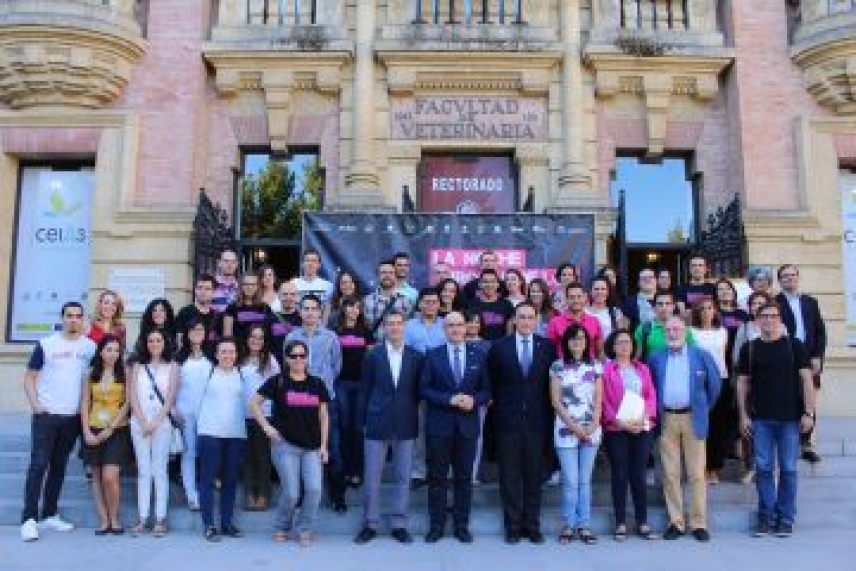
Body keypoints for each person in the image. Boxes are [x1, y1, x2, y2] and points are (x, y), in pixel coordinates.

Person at [736, 302, 816, 538]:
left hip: (790, 419)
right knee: (763, 469)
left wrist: (809, 413)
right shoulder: (750, 348)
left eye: (773, 316)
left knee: (789, 469)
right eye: (764, 316)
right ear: (757, 320)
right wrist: (743, 415)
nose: (769, 320)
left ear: (780, 319)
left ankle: (786, 518)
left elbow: (806, 380)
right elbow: (742, 383)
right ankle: (766, 517)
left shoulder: (794, 346)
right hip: (760, 420)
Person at [20, 302, 97, 542]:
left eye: (77, 316)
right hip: (47, 415)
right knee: (38, 466)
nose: (73, 320)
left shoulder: (90, 347)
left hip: (72, 417)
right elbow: (29, 378)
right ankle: (29, 519)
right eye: (69, 316)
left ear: (83, 319)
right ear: (62, 318)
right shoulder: (46, 345)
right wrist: (36, 406)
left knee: (59, 467)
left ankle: (50, 514)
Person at [487, 302, 556, 544]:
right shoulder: (499, 348)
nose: (526, 321)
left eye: (530, 317)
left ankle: (532, 525)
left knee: (534, 476)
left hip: (538, 422)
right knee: (509, 476)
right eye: (522, 317)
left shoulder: (548, 347)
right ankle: (513, 526)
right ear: (514, 320)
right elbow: (491, 383)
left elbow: (552, 385)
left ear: (537, 320)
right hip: (507, 421)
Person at [647, 317, 721, 542]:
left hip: (693, 418)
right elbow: (649, 387)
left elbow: (715, 386)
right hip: (666, 418)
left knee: (697, 473)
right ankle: (676, 523)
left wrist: (701, 408)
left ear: (685, 331)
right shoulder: (656, 357)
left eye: (676, 329)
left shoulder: (701, 355)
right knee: (670, 474)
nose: (672, 333)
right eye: (668, 329)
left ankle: (698, 523)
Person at [251, 339, 330, 546]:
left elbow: (324, 416)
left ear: (307, 358)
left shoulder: (317, 383)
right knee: (292, 493)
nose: (298, 359)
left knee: (314, 490)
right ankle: (282, 526)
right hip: (285, 445)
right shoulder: (278, 381)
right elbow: (254, 403)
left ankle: (305, 528)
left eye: (302, 355)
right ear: (286, 358)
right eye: (293, 356)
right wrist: (267, 427)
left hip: (312, 447)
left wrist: (323, 446)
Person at [354, 311, 424, 545]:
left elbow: (419, 392)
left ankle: (399, 523)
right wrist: (362, 420)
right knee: (372, 476)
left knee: (403, 476)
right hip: (376, 421)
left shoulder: (416, 356)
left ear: (405, 327)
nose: (394, 328)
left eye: (398, 324)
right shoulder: (373, 355)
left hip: (406, 421)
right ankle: (370, 524)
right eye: (390, 324)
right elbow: (364, 391)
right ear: (384, 327)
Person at [420, 311, 490, 544]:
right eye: (450, 325)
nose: (456, 329)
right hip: (439, 427)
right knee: (437, 478)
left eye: (460, 325)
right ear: (444, 329)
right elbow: (424, 389)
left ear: (467, 327)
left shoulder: (479, 356)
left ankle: (461, 525)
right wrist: (449, 399)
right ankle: (436, 525)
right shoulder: (432, 355)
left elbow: (487, 390)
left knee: (463, 479)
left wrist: (475, 400)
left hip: (467, 427)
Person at [286, 294, 344, 511]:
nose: (310, 313)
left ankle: (338, 496)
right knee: (300, 447)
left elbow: (336, 367)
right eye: (306, 308)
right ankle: (299, 497)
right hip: (298, 401)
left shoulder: (331, 337)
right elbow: (288, 366)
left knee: (332, 448)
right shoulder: (291, 336)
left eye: (314, 309)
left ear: (320, 312)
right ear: (300, 312)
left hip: (325, 401)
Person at [601, 329, 658, 541]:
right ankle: (621, 523)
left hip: (642, 427)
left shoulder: (642, 368)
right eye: (620, 343)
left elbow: (651, 394)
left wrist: (645, 416)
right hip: (616, 429)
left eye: (628, 342)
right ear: (612, 347)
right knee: (619, 475)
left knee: (639, 475)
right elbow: (604, 401)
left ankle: (642, 522)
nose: (625, 346)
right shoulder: (607, 370)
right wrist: (619, 421)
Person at [550, 325, 603, 545]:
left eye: (581, 338)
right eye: (572, 339)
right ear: (566, 342)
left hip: (591, 430)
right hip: (566, 430)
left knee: (585, 481)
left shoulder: (597, 366)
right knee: (571, 481)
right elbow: (555, 401)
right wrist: (574, 427)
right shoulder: (557, 366)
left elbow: (599, 400)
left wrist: (592, 425)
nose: (577, 342)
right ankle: (568, 524)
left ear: (587, 341)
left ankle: (584, 525)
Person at [128, 328, 179, 537]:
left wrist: (156, 421)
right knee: (143, 469)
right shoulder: (138, 366)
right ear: (145, 343)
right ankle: (142, 518)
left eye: (158, 340)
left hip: (162, 423)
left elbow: (170, 398)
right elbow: (132, 396)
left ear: (165, 342)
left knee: (159, 470)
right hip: (139, 423)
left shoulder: (173, 366)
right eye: (151, 340)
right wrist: (142, 421)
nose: (155, 343)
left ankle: (160, 518)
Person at [195, 337, 247, 541]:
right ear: (216, 354)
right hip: (210, 433)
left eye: (231, 352)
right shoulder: (206, 373)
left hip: (235, 434)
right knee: (207, 480)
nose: (228, 355)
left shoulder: (242, 374)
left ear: (236, 354)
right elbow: (195, 403)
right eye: (223, 352)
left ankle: (226, 523)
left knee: (231, 480)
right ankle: (208, 525)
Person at [775, 264, 826, 464]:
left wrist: (818, 355)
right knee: (787, 397)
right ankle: (786, 441)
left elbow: (820, 331)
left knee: (809, 398)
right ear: (779, 281)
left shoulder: (810, 302)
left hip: (808, 356)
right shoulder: (775, 303)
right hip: (786, 356)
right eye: (785, 276)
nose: (789, 279)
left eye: (793, 275)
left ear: (798, 278)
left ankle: (807, 445)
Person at [79, 335, 130, 535]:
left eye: (117, 350)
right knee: (97, 477)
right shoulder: (91, 373)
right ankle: (104, 520)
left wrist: (111, 427)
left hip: (116, 430)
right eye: (109, 349)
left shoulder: (124, 373)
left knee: (110, 476)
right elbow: (84, 402)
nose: (113, 354)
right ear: (100, 351)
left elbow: (127, 403)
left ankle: (115, 517)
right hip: (93, 428)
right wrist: (85, 431)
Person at [731, 291, 776, 484]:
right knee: (749, 428)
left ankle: (770, 468)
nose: (757, 306)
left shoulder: (780, 327)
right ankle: (751, 467)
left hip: (774, 386)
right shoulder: (745, 328)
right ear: (749, 307)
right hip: (750, 385)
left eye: (761, 302)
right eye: (754, 303)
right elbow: (735, 357)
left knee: (773, 427)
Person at [404, 287, 447, 488]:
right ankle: (419, 472)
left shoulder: (447, 325)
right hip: (415, 383)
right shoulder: (409, 326)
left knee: (441, 429)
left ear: (440, 304)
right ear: (419, 304)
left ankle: (442, 470)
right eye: (426, 301)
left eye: (434, 302)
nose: (430, 305)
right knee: (418, 428)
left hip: (441, 385)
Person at [688, 298, 731, 484]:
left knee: (718, 426)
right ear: (696, 312)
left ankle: (714, 469)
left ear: (715, 311)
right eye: (702, 309)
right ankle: (701, 468)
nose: (706, 311)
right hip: (700, 381)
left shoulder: (722, 332)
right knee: (701, 426)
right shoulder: (691, 332)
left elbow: (723, 356)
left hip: (721, 380)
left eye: (709, 308)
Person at [240, 324, 281, 511]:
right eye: (252, 336)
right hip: (242, 416)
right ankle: (250, 494)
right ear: (247, 338)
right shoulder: (239, 359)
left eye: (260, 337)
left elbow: (279, 388)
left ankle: (263, 495)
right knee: (248, 457)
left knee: (264, 457)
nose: (256, 340)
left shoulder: (270, 361)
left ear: (264, 341)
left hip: (265, 416)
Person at [174, 318, 213, 510]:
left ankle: (205, 490)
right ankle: (191, 494)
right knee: (189, 453)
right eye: (194, 329)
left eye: (201, 329)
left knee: (207, 454)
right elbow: (171, 387)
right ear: (187, 333)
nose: (197, 332)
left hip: (208, 414)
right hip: (185, 413)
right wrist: (173, 410)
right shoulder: (179, 358)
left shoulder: (211, 357)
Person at [335, 297, 374, 486]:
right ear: (344, 310)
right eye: (349, 306)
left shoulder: (366, 331)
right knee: (343, 427)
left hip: (361, 385)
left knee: (357, 429)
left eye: (356, 306)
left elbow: (371, 358)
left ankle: (356, 470)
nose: (353, 310)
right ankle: (343, 470)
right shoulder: (336, 332)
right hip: (341, 383)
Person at [546, 282, 604, 360]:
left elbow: (600, 351)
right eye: (572, 297)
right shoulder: (555, 322)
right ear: (566, 299)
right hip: (563, 369)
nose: (576, 300)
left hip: (589, 369)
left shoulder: (594, 321)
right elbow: (549, 352)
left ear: (585, 298)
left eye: (579, 296)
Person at [634, 290, 693, 361]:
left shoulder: (684, 328)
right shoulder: (644, 328)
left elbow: (692, 353)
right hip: (652, 370)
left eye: (667, 304)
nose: (664, 307)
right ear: (654, 307)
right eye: (660, 304)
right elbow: (637, 358)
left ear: (673, 306)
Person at [363, 260, 413, 342]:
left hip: (397, 349)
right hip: (375, 350)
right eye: (383, 272)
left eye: (390, 273)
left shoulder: (406, 301)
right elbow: (364, 329)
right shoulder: (367, 301)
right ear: (378, 275)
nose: (387, 275)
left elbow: (408, 329)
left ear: (395, 276)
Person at [221, 273, 275, 343]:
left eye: (253, 284)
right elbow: (227, 336)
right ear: (241, 286)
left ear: (257, 287)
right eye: (246, 284)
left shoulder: (265, 308)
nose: (249, 287)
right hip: (240, 350)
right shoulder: (231, 308)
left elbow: (269, 333)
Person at [469, 269, 515, 342]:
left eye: (492, 281)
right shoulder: (471, 304)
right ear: (480, 284)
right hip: (479, 347)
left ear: (498, 284)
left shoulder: (507, 304)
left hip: (500, 347)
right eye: (485, 281)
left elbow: (509, 331)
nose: (489, 285)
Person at [175, 274, 217, 348]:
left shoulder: (217, 316)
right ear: (195, 290)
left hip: (211, 358)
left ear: (213, 292)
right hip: (189, 357)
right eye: (200, 288)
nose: (203, 292)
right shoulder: (185, 312)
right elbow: (179, 340)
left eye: (207, 289)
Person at [270, 280, 303, 362]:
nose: (289, 297)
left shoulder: (304, 318)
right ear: (278, 296)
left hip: (299, 365)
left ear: (298, 297)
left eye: (292, 294)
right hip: (276, 367)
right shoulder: (270, 318)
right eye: (285, 294)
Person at [586, 276, 626, 341]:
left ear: (608, 292)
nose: (600, 292)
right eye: (596, 289)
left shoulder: (615, 312)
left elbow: (620, 336)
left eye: (603, 289)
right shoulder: (584, 312)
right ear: (590, 291)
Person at [212, 248, 240, 313]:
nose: (230, 265)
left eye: (233, 262)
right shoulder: (210, 285)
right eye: (226, 261)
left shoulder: (241, 287)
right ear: (219, 263)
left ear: (236, 264)